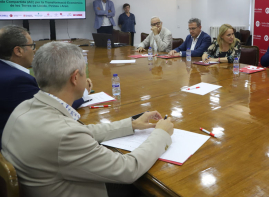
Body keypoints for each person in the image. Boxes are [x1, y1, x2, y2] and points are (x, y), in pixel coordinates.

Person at [1, 41, 174, 197]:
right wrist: (160, 134)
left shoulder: (24, 107)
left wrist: (131, 124)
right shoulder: (65, 136)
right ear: (75, 78)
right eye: (85, 72)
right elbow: (128, 169)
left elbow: (81, 132)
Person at [0, 25, 92, 142]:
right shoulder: (17, 80)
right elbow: (53, 107)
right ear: (18, 51)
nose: (34, 50)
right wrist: (84, 92)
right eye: (32, 45)